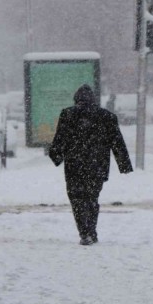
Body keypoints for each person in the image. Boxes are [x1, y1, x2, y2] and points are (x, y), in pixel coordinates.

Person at [48, 84, 133, 246]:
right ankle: (91, 231)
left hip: (74, 166)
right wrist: (124, 165)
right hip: (97, 166)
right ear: (94, 100)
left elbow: (59, 139)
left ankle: (84, 232)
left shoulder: (68, 114)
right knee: (92, 198)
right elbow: (117, 143)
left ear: (76, 100)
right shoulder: (107, 117)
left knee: (77, 199)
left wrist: (56, 156)